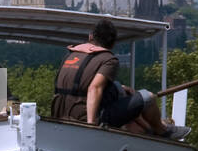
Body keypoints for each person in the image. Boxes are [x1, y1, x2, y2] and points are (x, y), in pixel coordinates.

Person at [51, 18, 185, 137]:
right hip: (82, 117)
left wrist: (120, 89)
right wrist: (91, 126)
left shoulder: (70, 54)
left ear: (91, 36)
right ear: (113, 43)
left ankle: (149, 130)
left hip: (59, 114)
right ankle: (162, 130)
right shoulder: (108, 59)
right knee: (147, 97)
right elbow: (94, 88)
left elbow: (83, 84)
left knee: (120, 91)